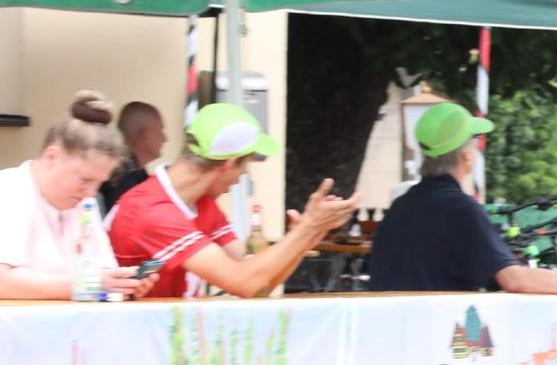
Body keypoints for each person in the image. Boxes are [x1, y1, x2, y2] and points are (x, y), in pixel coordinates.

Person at [369, 102, 557, 295]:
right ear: (467, 158)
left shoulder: (400, 206)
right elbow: (515, 280)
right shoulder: (460, 209)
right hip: (438, 351)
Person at [107, 103, 358, 298]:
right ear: (228, 163)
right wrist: (307, 228)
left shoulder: (200, 203)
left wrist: (305, 237)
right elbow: (245, 282)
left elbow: (259, 284)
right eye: (245, 167)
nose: (242, 178)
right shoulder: (152, 211)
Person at [0, 91, 156, 300]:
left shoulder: (85, 203)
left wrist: (123, 287)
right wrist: (91, 283)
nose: (90, 192)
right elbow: (3, 281)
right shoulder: (10, 189)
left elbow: (102, 274)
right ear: (52, 156)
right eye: (85, 179)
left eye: (99, 183)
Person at [99, 101, 166, 214]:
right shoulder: (121, 176)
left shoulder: (135, 172)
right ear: (146, 135)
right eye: (160, 129)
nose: (165, 139)